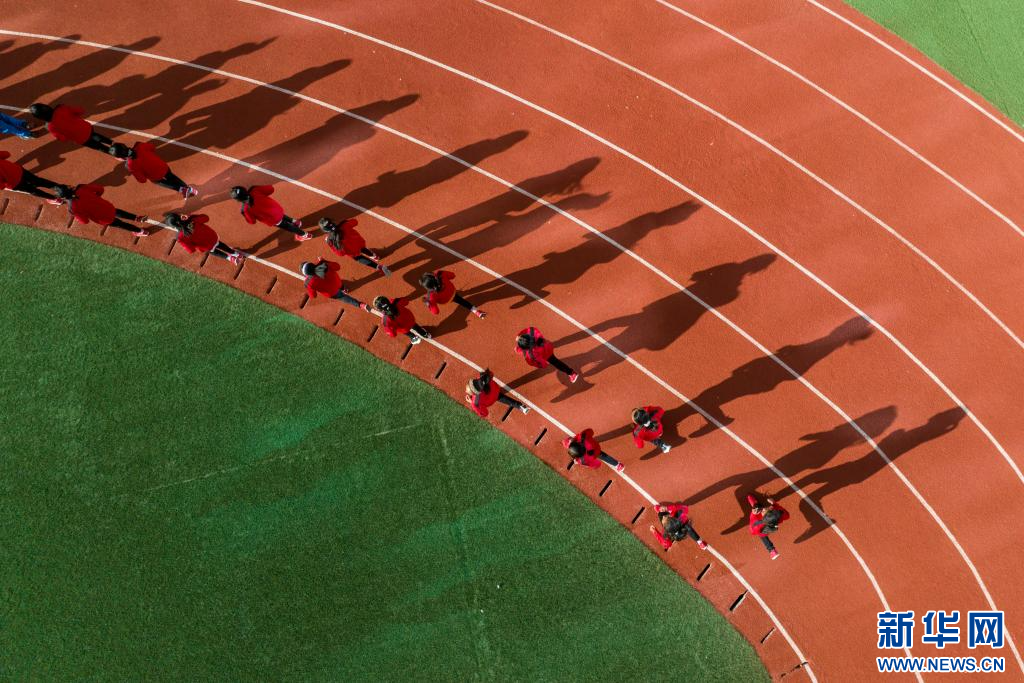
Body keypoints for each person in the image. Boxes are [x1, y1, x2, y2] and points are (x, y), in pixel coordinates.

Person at [54, 184, 149, 237]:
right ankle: (137, 218)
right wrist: (96, 198)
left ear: (63, 197)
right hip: (106, 206)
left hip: (102, 218)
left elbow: (85, 221)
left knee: (121, 224)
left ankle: (141, 231)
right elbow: (100, 189)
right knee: (117, 212)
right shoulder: (81, 187)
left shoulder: (72, 208)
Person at [109, 142, 197, 198]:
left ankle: (183, 190)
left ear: (120, 157)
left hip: (155, 176)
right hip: (162, 166)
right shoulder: (139, 145)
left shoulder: (130, 165)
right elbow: (152, 147)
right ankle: (186, 187)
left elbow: (142, 180)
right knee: (171, 176)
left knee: (164, 183)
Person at [229, 185, 311, 241]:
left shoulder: (245, 209)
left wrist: (245, 214)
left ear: (238, 200)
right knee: (280, 215)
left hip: (273, 219)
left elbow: (252, 221)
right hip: (277, 208)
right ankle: (295, 222)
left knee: (287, 226)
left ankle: (304, 234)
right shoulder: (254, 190)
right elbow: (271, 189)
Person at [29, 103, 113, 152]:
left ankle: (114, 153)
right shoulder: (61, 108)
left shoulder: (50, 126)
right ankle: (112, 143)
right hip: (85, 127)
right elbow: (80, 111)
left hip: (80, 138)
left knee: (99, 147)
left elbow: (63, 139)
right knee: (95, 135)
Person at [164, 212, 243, 264]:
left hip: (206, 246)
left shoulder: (180, 237)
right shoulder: (192, 219)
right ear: (180, 216)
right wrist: (191, 216)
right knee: (218, 244)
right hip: (212, 236)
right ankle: (235, 253)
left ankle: (230, 258)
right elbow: (206, 218)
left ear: (173, 226)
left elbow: (191, 250)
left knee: (212, 250)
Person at [320, 217, 390, 275]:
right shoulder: (344, 225)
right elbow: (355, 222)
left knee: (360, 258)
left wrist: (329, 243)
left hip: (352, 252)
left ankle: (379, 267)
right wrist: (345, 222)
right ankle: (375, 256)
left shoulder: (330, 240)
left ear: (325, 231)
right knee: (363, 248)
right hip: (359, 242)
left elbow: (340, 254)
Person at [301, 258, 371, 310]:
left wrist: (309, 285)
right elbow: (338, 266)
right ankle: (344, 289)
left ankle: (361, 305)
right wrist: (324, 261)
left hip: (332, 292)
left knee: (344, 297)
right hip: (338, 282)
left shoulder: (308, 283)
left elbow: (313, 296)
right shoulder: (323, 265)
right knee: (337, 283)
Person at [421, 270, 485, 318]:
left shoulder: (431, 295)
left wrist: (427, 302)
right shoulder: (440, 273)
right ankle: (476, 311)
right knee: (461, 300)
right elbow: (453, 275)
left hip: (446, 300)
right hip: (452, 292)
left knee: (456, 299)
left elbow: (435, 312)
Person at [747, 493, 789, 560]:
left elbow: (753, 531)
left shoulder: (756, 521)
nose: (764, 509)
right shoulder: (776, 514)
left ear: (764, 516)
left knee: (761, 534)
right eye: (768, 509)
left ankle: (771, 550)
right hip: (772, 524)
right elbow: (787, 515)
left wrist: (753, 512)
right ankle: (772, 551)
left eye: (763, 510)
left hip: (761, 529)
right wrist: (774, 503)